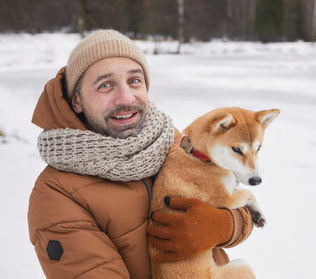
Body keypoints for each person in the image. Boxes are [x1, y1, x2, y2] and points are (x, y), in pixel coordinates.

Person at [28, 29, 253, 278]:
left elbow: (240, 207)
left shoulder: (172, 141)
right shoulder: (56, 195)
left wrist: (224, 226)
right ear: (77, 101)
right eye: (105, 85)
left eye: (134, 80)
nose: (126, 97)